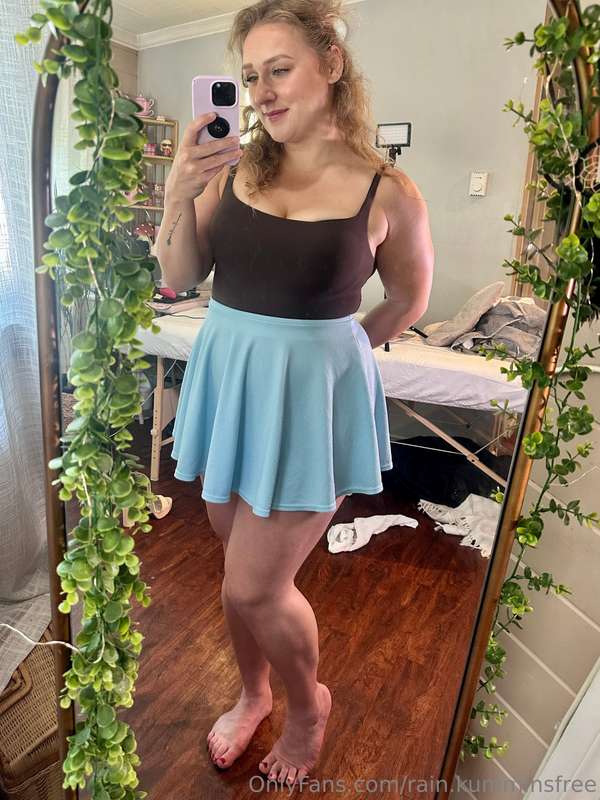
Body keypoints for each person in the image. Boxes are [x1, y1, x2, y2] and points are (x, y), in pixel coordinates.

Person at [156, 0, 434, 788]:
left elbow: (408, 300)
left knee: (256, 584)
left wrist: (331, 360)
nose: (262, 92)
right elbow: (180, 276)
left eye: (278, 69)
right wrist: (178, 192)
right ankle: (253, 694)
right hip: (229, 386)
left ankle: (308, 708)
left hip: (308, 406)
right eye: (251, 76)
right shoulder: (235, 169)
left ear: (331, 65)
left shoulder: (388, 191)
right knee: (235, 574)